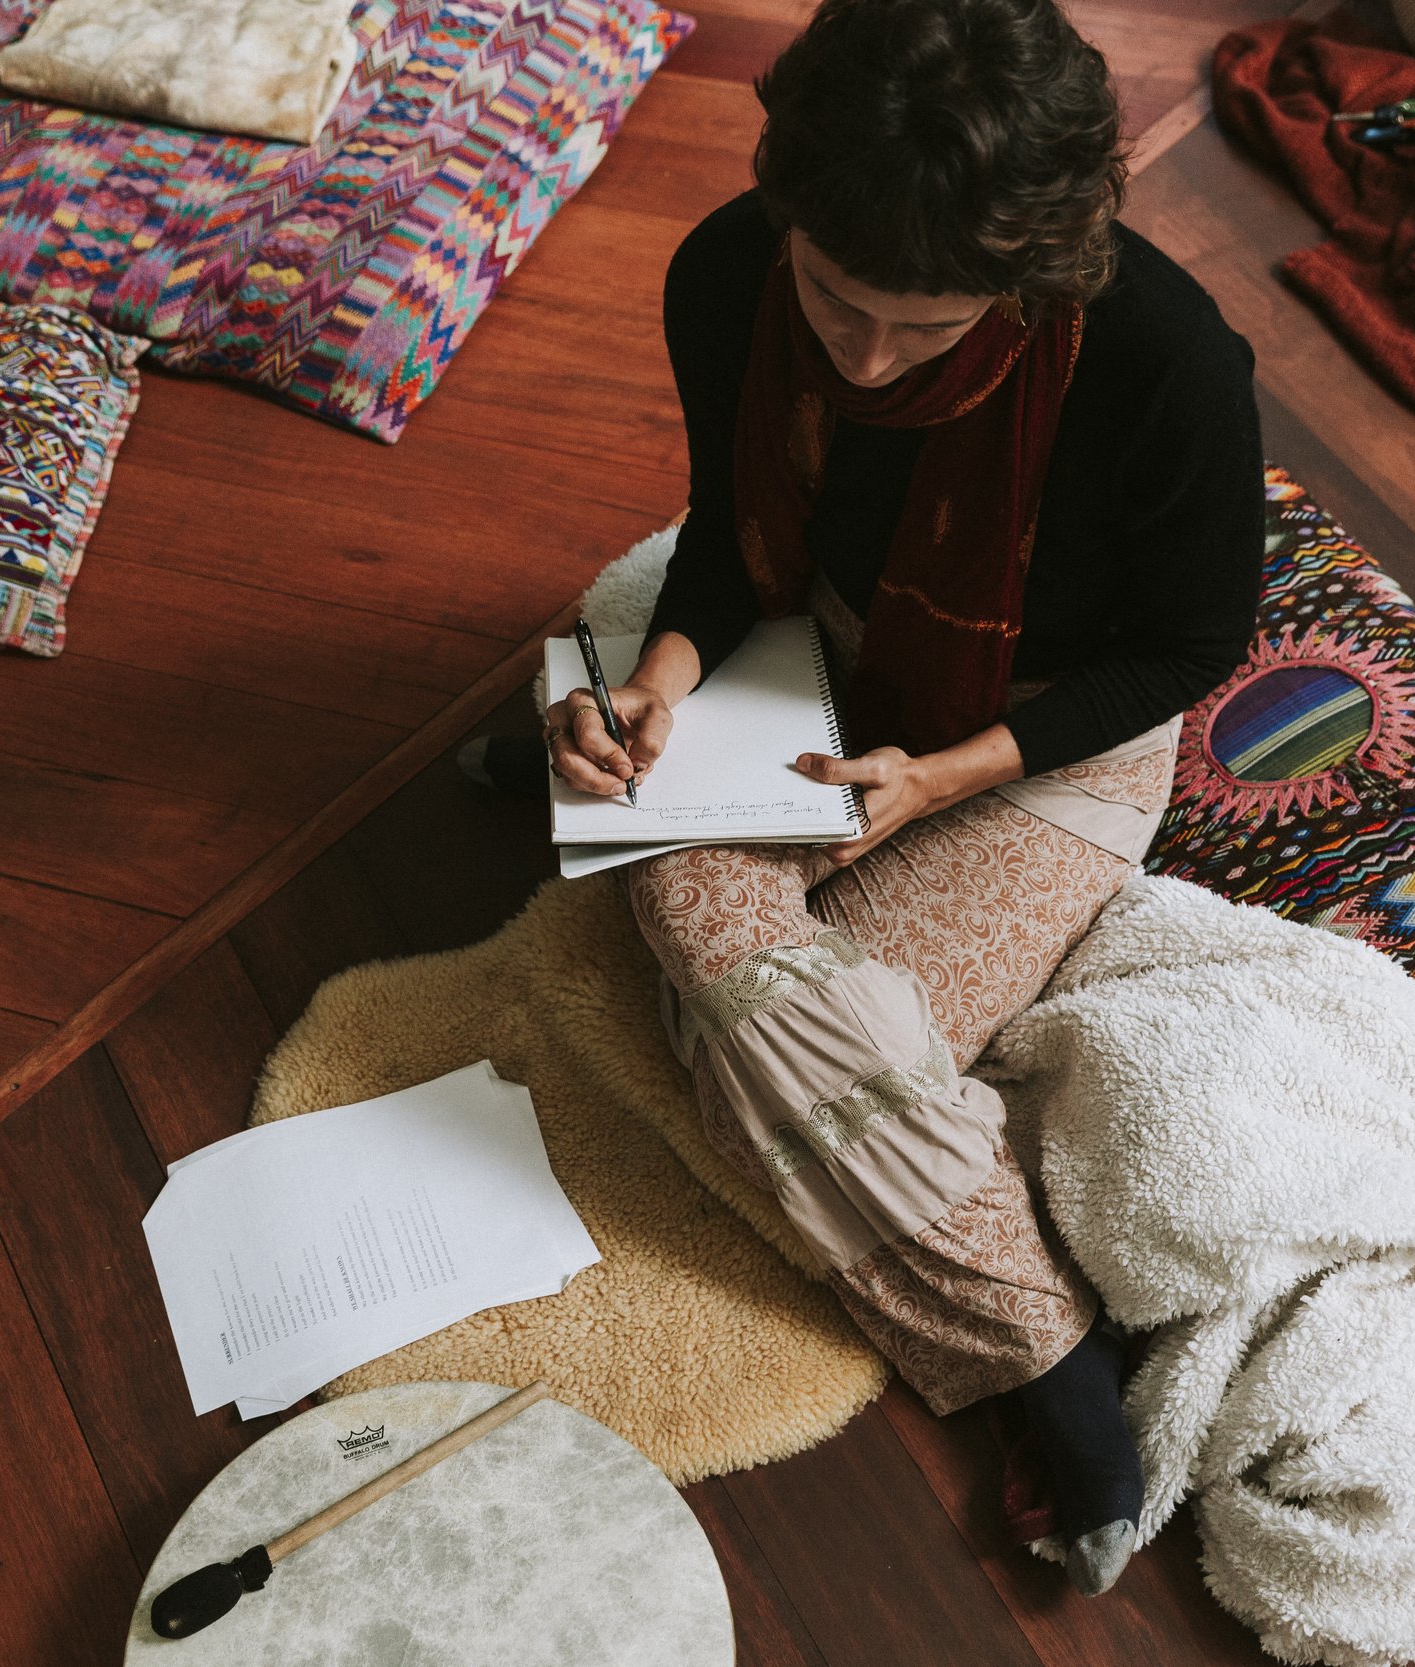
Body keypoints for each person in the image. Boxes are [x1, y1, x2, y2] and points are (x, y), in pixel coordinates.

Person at [545, 0, 1261, 1594]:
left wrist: (947, 776)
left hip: (1047, 738)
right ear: (790, 216)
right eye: (835, 302)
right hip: (829, 651)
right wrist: (662, 679)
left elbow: (1193, 644)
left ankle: (1019, 1345)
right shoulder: (729, 270)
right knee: (699, 914)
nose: (861, 358)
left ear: (1029, 276)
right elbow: (735, 541)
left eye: (919, 329)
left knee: (732, 1037)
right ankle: (1045, 1354)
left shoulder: (1165, 362)